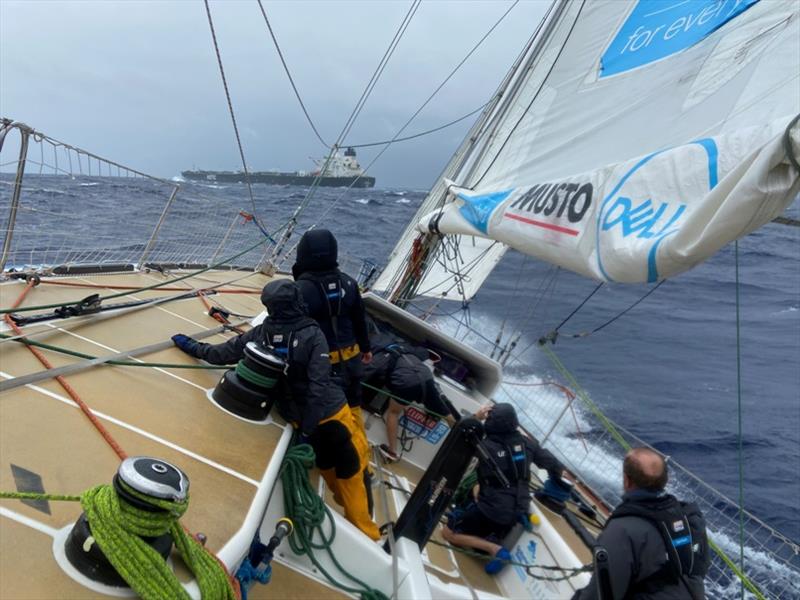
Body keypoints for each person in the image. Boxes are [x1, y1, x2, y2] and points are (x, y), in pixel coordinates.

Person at [170, 279, 380, 541]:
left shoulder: (261, 333)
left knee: (329, 468)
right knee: (351, 472)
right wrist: (309, 428)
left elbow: (221, 354)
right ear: (298, 303)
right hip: (331, 417)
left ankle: (356, 527)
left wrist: (190, 345)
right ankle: (366, 535)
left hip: (301, 421)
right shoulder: (314, 335)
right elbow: (319, 384)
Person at [441, 403, 568, 575]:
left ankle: (495, 550)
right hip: (518, 509)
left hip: (494, 512)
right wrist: (554, 488)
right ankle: (500, 528)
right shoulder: (528, 444)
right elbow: (557, 467)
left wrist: (476, 417)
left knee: (447, 532)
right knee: (477, 488)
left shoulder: (483, 445)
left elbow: (459, 431)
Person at [573, 447, 709, 600]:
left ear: (627, 480)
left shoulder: (621, 531)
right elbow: (700, 568)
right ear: (666, 480)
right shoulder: (689, 517)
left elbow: (601, 594)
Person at [361, 330, 460, 462]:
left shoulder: (379, 357)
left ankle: (392, 452)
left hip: (406, 383)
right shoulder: (406, 348)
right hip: (426, 377)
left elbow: (365, 374)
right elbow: (425, 353)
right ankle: (462, 434)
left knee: (393, 412)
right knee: (444, 412)